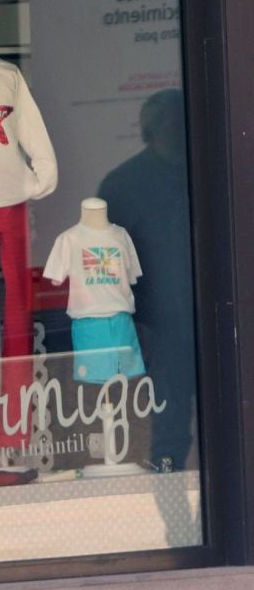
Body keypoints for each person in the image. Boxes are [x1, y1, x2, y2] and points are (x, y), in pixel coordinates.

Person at [97, 88, 195, 471]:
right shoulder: (123, 185)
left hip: (211, 319)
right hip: (158, 327)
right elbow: (106, 268)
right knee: (169, 424)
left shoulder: (210, 169)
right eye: (173, 126)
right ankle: (172, 504)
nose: (180, 134)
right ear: (150, 132)